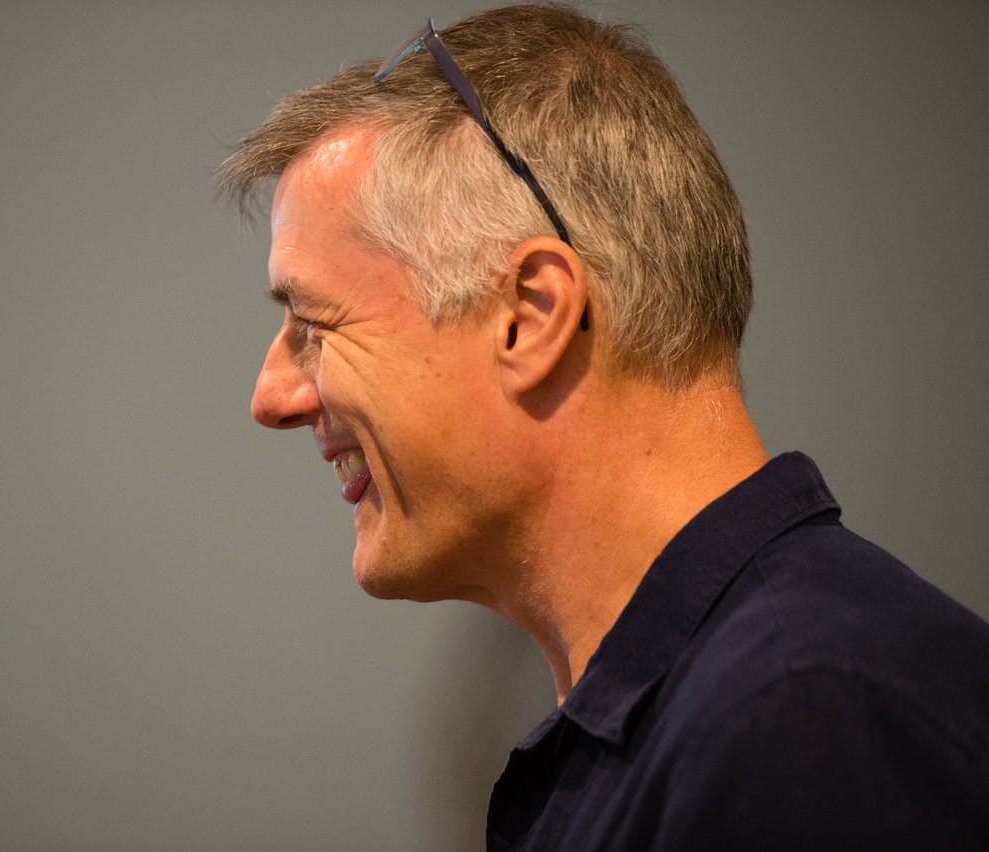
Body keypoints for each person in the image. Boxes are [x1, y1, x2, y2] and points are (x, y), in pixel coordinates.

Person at [219, 3, 989, 849]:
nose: (272, 395)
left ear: (531, 314)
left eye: (314, 325)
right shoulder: (741, 709)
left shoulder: (806, 720)